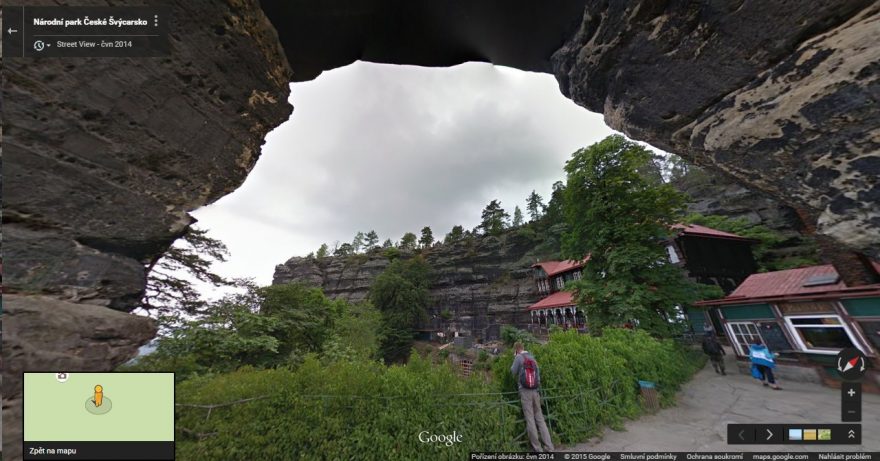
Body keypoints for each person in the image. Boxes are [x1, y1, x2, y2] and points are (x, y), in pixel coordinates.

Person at [510, 341, 554, 452]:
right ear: (523, 347)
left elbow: (513, 371)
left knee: (530, 420)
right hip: (535, 391)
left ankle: (538, 449)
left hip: (525, 392)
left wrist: (515, 359)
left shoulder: (518, 358)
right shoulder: (532, 357)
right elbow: (538, 376)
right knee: (540, 419)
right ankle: (549, 447)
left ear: (516, 349)